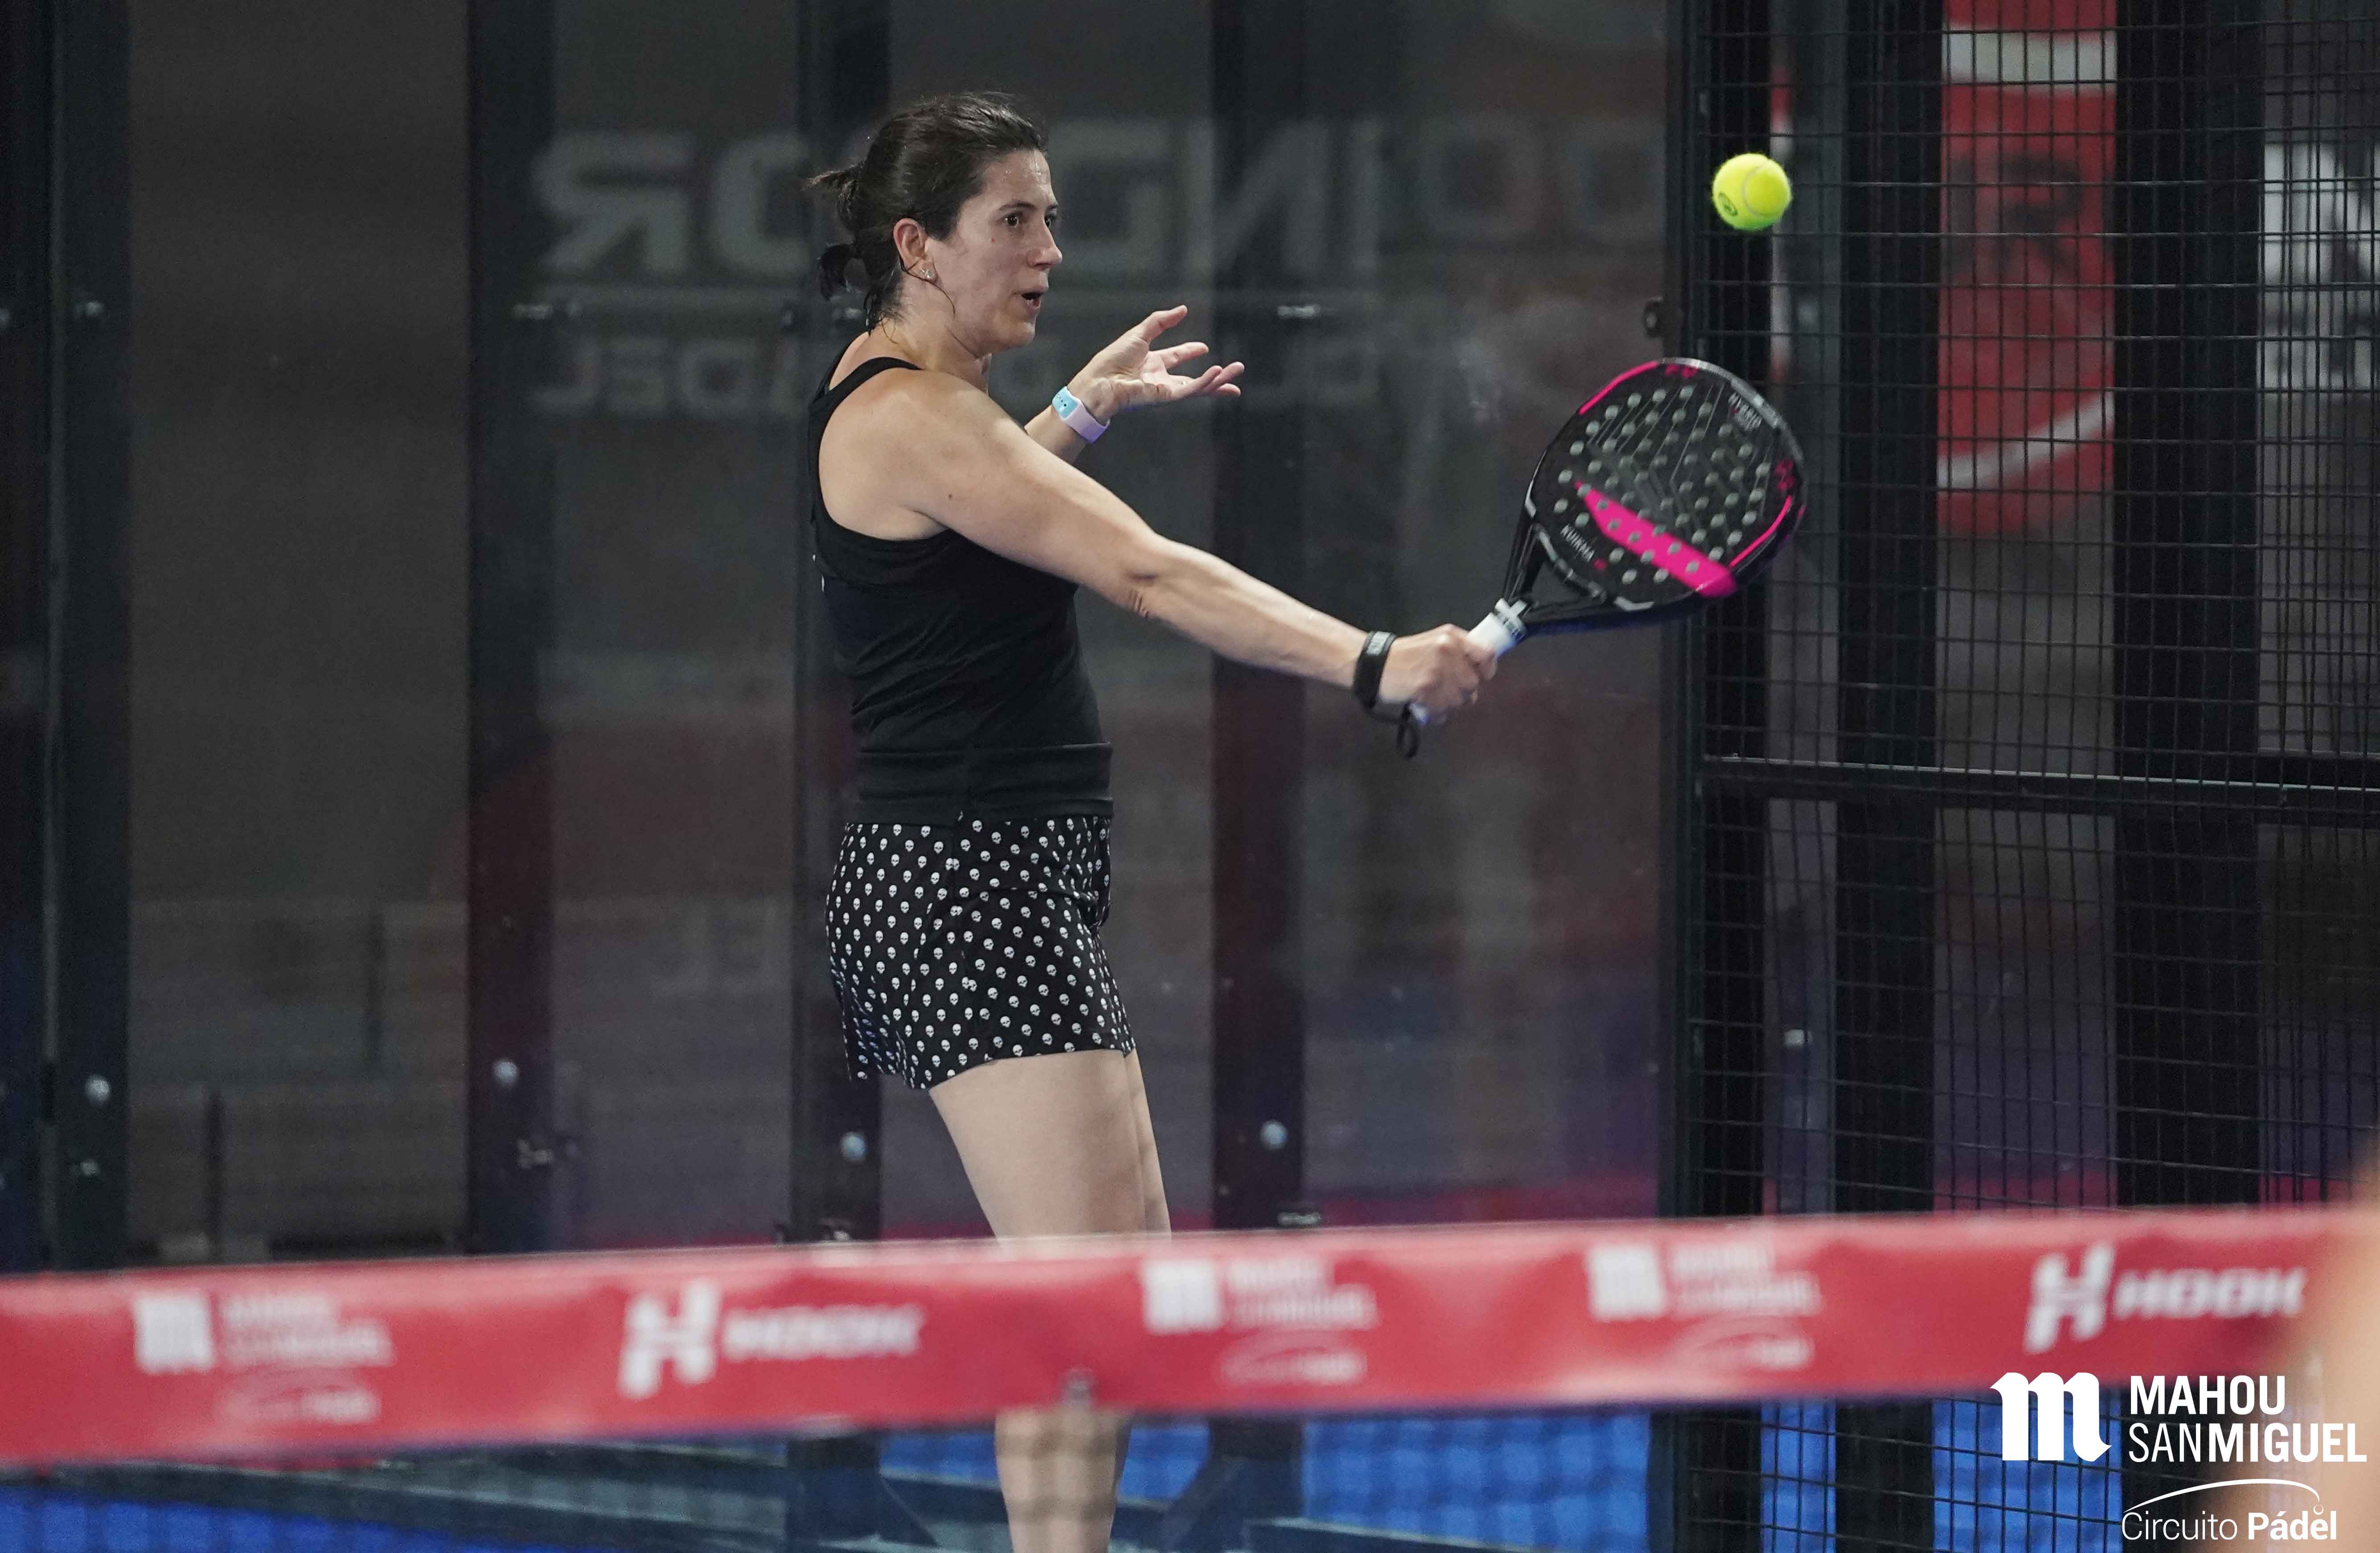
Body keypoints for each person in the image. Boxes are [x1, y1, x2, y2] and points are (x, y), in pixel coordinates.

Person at [805, 91, 1494, 1552]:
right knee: (1083, 1307)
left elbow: (972, 531)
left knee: (1111, 1292)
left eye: (1051, 217)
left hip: (990, 873)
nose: (1048, 250)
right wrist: (1372, 660)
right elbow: (1147, 574)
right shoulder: (911, 414)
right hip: (962, 883)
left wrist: (1080, 412)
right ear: (919, 245)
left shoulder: (915, 400)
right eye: (1013, 220)